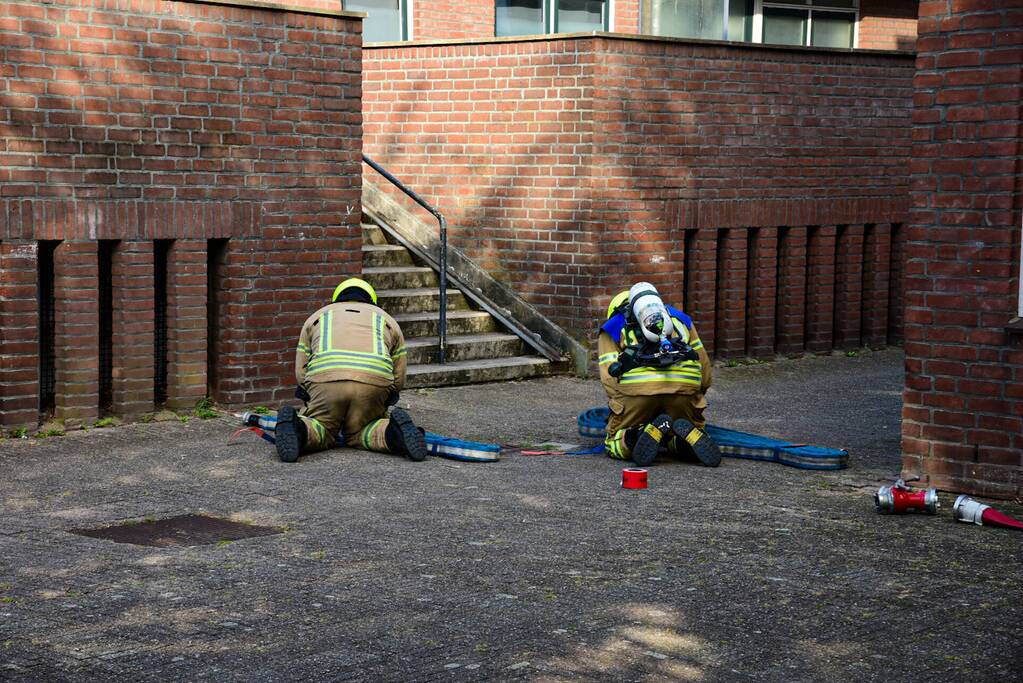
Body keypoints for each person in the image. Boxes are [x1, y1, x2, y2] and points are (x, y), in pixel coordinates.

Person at [274, 277, 427, 463]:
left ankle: (298, 429)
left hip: (326, 382)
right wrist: (388, 395)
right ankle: (394, 433)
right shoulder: (388, 320)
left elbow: (301, 371)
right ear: (371, 299)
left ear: (337, 298)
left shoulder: (316, 317)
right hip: (373, 383)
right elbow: (399, 375)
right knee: (362, 430)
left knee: (323, 428)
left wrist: (309, 393)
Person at [597, 282, 720, 467]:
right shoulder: (680, 318)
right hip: (684, 386)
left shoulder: (612, 326)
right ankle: (682, 443)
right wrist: (695, 396)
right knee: (676, 431)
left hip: (638, 390)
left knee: (613, 442)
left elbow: (609, 377)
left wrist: (622, 404)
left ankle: (635, 436)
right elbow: (704, 367)